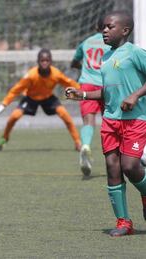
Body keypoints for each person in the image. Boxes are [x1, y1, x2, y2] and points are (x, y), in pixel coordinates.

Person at [66, 11, 146, 236]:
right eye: (103, 27)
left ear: (125, 30)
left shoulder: (135, 53)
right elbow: (108, 91)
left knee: (130, 167)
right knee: (113, 167)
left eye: (110, 27)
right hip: (111, 120)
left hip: (135, 121)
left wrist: (135, 96)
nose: (104, 30)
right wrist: (82, 95)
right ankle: (123, 222)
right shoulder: (105, 57)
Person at [0, 49, 81, 151]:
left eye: (47, 60)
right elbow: (15, 90)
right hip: (31, 98)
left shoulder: (56, 74)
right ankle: (4, 139)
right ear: (38, 61)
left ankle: (77, 142)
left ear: (51, 61)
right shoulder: (31, 75)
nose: (44, 62)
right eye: (42, 60)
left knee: (65, 114)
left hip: (48, 98)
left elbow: (69, 83)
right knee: (14, 116)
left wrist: (83, 90)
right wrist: (4, 104)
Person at [71, 17, 110, 176]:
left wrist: (82, 68)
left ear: (95, 26)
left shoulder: (86, 42)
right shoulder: (110, 42)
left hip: (86, 83)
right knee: (109, 119)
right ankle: (116, 155)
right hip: (105, 84)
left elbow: (74, 62)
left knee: (89, 120)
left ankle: (85, 145)